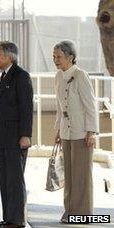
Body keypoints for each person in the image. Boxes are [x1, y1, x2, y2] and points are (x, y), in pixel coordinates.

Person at [53, 40, 98, 223]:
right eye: (54, 56)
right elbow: (59, 106)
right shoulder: (58, 76)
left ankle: (83, 215)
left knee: (81, 175)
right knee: (69, 175)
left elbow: (91, 106)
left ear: (70, 57)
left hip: (82, 132)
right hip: (66, 132)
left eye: (59, 56)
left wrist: (92, 132)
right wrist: (57, 129)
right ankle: (69, 212)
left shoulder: (81, 76)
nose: (55, 60)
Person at [0, 41, 33, 228]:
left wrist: (26, 134)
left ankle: (18, 220)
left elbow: (26, 108)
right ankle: (9, 217)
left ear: (10, 57)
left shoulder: (21, 76)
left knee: (15, 180)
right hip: (3, 137)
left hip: (16, 137)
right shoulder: (4, 75)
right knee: (5, 177)